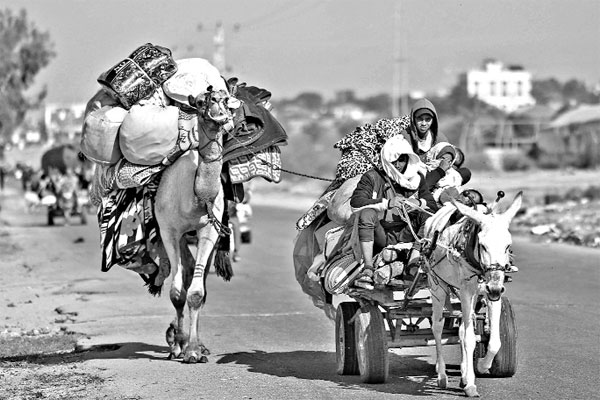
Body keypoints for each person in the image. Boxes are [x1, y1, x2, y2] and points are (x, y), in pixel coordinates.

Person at [350, 135, 438, 276]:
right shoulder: (372, 177)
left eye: (401, 160)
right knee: (366, 214)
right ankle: (367, 266)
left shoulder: (416, 178)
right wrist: (388, 203)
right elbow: (356, 203)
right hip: (382, 233)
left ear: (408, 159)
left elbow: (432, 205)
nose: (398, 165)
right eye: (394, 160)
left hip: (408, 231)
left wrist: (418, 203)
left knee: (428, 216)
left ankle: (413, 261)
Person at [401, 98, 449, 163]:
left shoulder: (440, 139)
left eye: (428, 119)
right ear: (413, 119)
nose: (423, 123)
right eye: (420, 119)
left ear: (433, 120)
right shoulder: (404, 138)